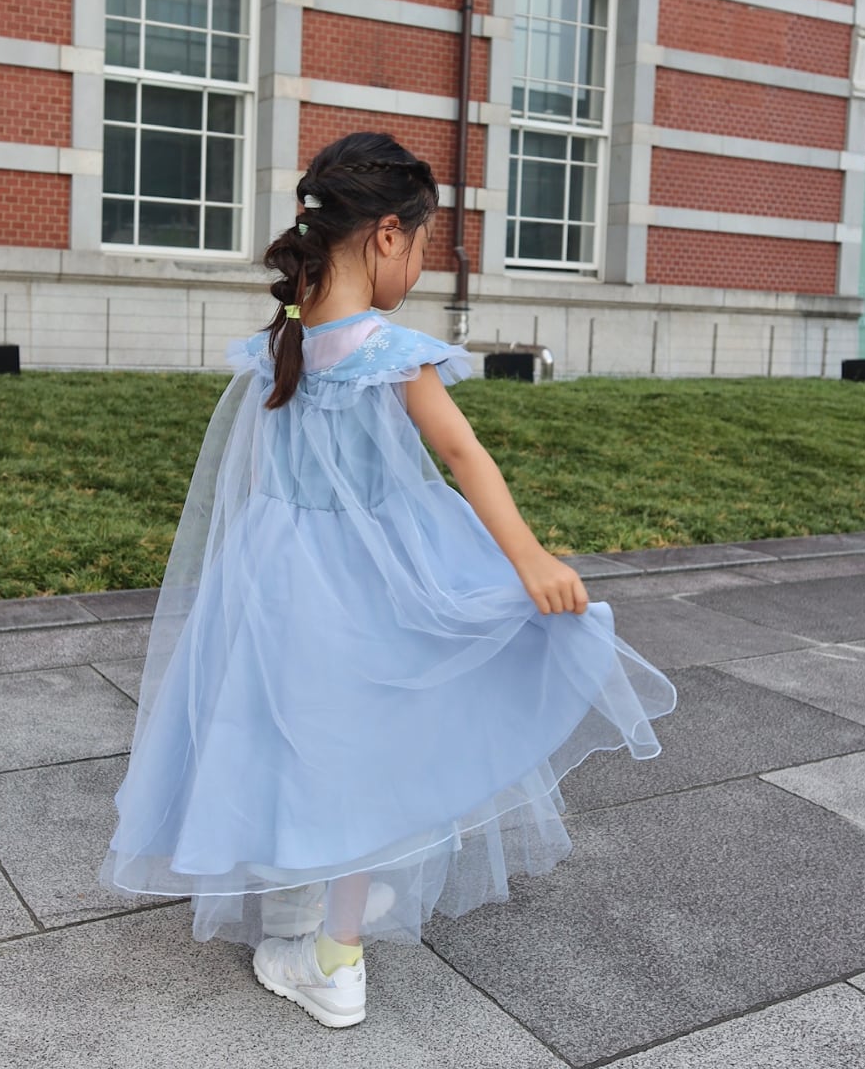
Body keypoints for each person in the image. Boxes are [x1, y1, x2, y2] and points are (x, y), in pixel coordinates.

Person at [98, 131, 676, 1029]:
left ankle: (308, 907)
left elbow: (261, 475)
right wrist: (528, 558)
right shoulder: (387, 350)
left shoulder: (282, 343)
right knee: (365, 748)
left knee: (295, 740)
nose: (421, 268)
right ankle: (336, 962)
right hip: (366, 575)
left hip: (277, 574)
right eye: (423, 246)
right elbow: (463, 455)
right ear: (386, 236)